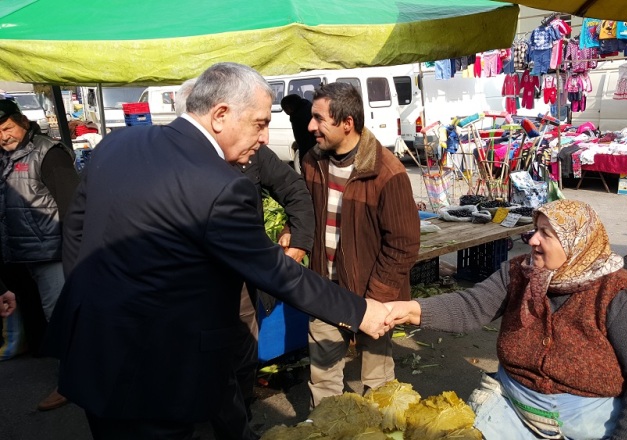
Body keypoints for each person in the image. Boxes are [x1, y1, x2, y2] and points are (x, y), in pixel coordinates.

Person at [45, 62, 392, 440]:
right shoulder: (220, 185)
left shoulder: (117, 144)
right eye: (259, 123)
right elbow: (275, 272)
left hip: (92, 353)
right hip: (161, 374)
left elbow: (76, 234)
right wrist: (358, 311)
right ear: (220, 115)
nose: (264, 136)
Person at [386, 199, 627, 440]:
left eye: (546, 234)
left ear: (577, 244)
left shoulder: (620, 297)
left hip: (589, 425)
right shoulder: (519, 273)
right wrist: (412, 310)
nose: (532, 240)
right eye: (536, 230)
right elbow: (471, 306)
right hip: (514, 409)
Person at [175, 77, 316, 428]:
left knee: (240, 357)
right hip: (184, 285)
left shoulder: (251, 153)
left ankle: (237, 424)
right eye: (260, 124)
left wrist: (298, 240)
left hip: (239, 280)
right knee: (185, 362)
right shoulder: (171, 158)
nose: (264, 135)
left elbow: (293, 188)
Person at [301, 82, 420, 407]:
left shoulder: (387, 173)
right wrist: (291, 231)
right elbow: (306, 210)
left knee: (377, 383)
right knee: (323, 380)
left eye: (319, 119)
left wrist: (376, 302)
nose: (311, 126)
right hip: (325, 290)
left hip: (373, 294)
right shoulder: (313, 161)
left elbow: (404, 245)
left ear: (347, 124)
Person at [0, 98, 79, 411]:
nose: (2, 136)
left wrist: (75, 256)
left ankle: (71, 382)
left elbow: (73, 207)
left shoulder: (48, 153)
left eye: (6, 128)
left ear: (22, 120)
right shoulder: (5, 156)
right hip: (18, 253)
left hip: (51, 253)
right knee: (43, 316)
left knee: (59, 316)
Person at [279, 94, 315, 171]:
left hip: (308, 151)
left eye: (285, 109)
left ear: (289, 107)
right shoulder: (308, 107)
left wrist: (302, 159)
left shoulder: (298, 117)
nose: (285, 112)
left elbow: (302, 140)